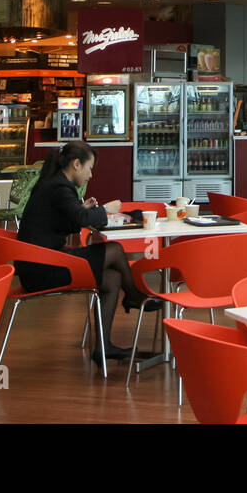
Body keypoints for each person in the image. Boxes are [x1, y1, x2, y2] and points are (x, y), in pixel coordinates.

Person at [16, 141, 160, 360]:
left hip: (37, 265)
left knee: (111, 279)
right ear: (76, 164)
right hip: (42, 269)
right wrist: (105, 210)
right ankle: (132, 294)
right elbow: (81, 220)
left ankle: (104, 348)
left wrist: (81, 210)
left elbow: (64, 222)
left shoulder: (53, 184)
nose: (91, 175)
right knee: (114, 249)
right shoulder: (60, 187)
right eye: (89, 168)